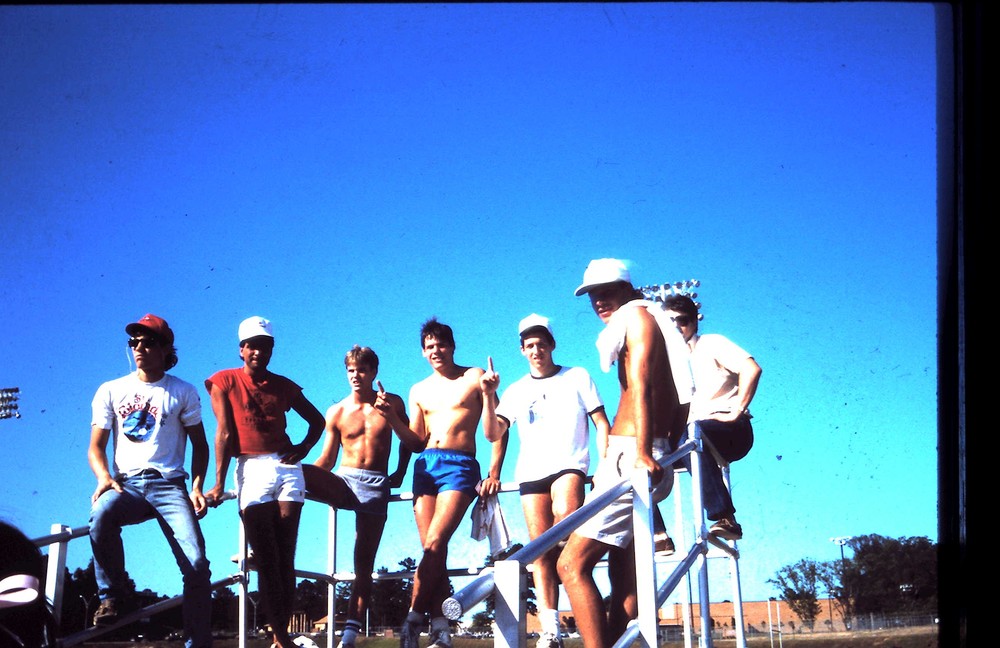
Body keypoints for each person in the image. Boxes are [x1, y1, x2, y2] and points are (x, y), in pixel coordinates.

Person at [556, 259, 684, 648]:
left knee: (570, 564)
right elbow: (681, 395)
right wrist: (666, 445)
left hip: (633, 455)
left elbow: (642, 385)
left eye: (606, 291)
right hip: (636, 451)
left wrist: (643, 452)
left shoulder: (638, 320)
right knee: (623, 573)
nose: (598, 301)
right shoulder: (652, 319)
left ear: (627, 288)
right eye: (592, 295)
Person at [481, 314, 611, 648]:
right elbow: (493, 433)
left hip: (570, 466)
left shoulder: (577, 376)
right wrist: (488, 396)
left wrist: (607, 465)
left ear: (552, 345)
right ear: (522, 350)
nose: (536, 350)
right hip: (531, 473)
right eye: (529, 345)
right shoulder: (515, 390)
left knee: (565, 527)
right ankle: (551, 629)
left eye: (541, 343)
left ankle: (579, 601)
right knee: (540, 552)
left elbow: (601, 423)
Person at [87, 314, 212, 647]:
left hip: (169, 485)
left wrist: (197, 487)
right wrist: (103, 477)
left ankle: (198, 642)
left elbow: (200, 445)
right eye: (134, 342)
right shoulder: (111, 389)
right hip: (126, 484)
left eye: (148, 342)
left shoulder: (182, 390)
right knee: (100, 514)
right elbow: (96, 447)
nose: (139, 347)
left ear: (166, 348)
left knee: (197, 565)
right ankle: (113, 596)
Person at [204, 316, 325, 648]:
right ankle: (281, 637)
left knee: (286, 556)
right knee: (268, 558)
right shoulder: (223, 380)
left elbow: (317, 421)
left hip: (287, 468)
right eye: (253, 346)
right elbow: (224, 433)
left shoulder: (283, 385)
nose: (259, 352)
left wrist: (303, 448)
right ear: (241, 349)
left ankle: (280, 637)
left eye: (266, 346)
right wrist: (218, 484)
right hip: (250, 468)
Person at [397, 318, 508, 648]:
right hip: (425, 466)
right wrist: (391, 418)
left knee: (435, 543)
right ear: (423, 352)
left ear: (452, 346)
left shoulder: (474, 377)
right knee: (433, 551)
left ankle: (413, 619)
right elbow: (415, 441)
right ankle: (441, 630)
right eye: (429, 346)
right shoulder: (418, 389)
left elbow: (500, 427)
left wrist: (494, 473)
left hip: (459, 465)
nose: (436, 351)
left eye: (441, 344)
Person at [302, 345, 417, 648]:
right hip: (344, 479)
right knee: (291, 472)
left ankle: (349, 637)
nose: (356, 375)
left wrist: (400, 471)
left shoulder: (391, 402)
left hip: (376, 485)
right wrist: (302, 476)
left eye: (362, 370)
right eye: (351, 370)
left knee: (363, 564)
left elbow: (408, 439)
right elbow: (326, 460)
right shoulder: (337, 411)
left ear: (374, 372)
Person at [662, 294, 762, 541]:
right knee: (637, 456)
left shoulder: (711, 343)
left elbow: (751, 369)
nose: (676, 327)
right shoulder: (668, 361)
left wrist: (737, 410)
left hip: (730, 429)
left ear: (694, 322)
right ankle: (658, 535)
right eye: (670, 322)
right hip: (691, 437)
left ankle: (724, 517)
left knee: (691, 432)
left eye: (682, 320)